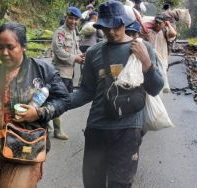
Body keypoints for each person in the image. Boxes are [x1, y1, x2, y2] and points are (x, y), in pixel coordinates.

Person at [0, 22, 70, 188]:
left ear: (23, 46)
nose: (4, 53)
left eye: (10, 47)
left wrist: (39, 112)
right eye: (0, 47)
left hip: (24, 148)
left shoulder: (42, 71)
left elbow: (63, 99)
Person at [69, 1, 164, 187]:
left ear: (125, 23)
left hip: (128, 130)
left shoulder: (143, 48)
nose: (111, 32)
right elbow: (86, 91)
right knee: (92, 183)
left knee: (120, 184)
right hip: (96, 128)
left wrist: (145, 61)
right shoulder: (93, 52)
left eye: (116, 25)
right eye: (106, 27)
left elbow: (155, 88)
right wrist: (58, 104)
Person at [51, 6, 85, 140]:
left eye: (76, 19)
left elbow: (75, 50)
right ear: (66, 17)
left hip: (69, 73)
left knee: (63, 100)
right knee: (58, 101)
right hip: (60, 72)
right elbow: (58, 50)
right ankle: (57, 130)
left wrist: (80, 56)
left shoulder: (74, 32)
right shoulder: (60, 32)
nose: (73, 21)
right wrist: (73, 58)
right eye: (71, 18)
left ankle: (47, 122)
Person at [143, 14, 177, 93]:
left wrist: (168, 24)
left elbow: (173, 34)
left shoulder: (165, 32)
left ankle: (161, 89)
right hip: (150, 57)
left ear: (163, 24)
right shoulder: (149, 32)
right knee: (151, 74)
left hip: (162, 57)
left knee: (162, 74)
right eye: (156, 22)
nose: (157, 24)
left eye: (160, 23)